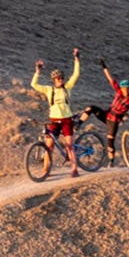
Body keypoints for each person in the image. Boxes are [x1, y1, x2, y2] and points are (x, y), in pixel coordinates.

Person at [30, 48, 84, 177]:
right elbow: (34, 84)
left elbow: (76, 74)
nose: (60, 79)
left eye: (61, 78)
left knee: (69, 145)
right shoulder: (49, 90)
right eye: (58, 78)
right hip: (54, 120)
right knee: (49, 146)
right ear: (54, 80)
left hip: (66, 119)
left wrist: (76, 58)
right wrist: (37, 72)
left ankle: (74, 169)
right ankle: (46, 170)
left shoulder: (68, 87)